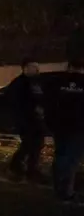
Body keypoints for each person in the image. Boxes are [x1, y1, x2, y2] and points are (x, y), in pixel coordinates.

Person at [41, 63, 84, 204]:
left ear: (69, 67)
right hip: (78, 127)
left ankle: (58, 187)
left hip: (60, 127)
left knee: (61, 155)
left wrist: (50, 123)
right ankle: (66, 192)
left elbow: (48, 104)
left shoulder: (56, 82)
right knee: (71, 159)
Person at [6, 57, 45, 182]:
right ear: (25, 68)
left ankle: (31, 169)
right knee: (28, 145)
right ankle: (17, 166)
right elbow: (15, 103)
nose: (36, 69)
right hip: (25, 120)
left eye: (37, 67)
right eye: (33, 67)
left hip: (37, 120)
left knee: (37, 145)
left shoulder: (37, 82)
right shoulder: (19, 84)